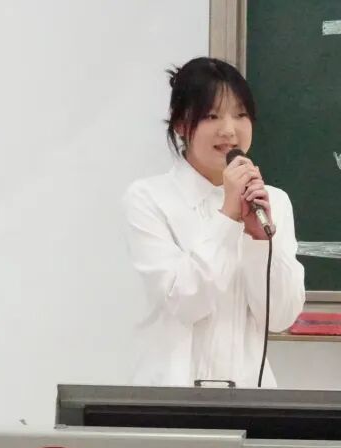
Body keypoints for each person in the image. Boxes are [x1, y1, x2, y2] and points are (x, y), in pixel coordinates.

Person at [122, 57, 306, 388]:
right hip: (169, 398)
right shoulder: (148, 198)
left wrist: (259, 240)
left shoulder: (273, 202)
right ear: (181, 124)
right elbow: (186, 301)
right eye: (211, 116)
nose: (229, 130)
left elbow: (281, 316)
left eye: (240, 115)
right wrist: (228, 217)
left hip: (249, 398)